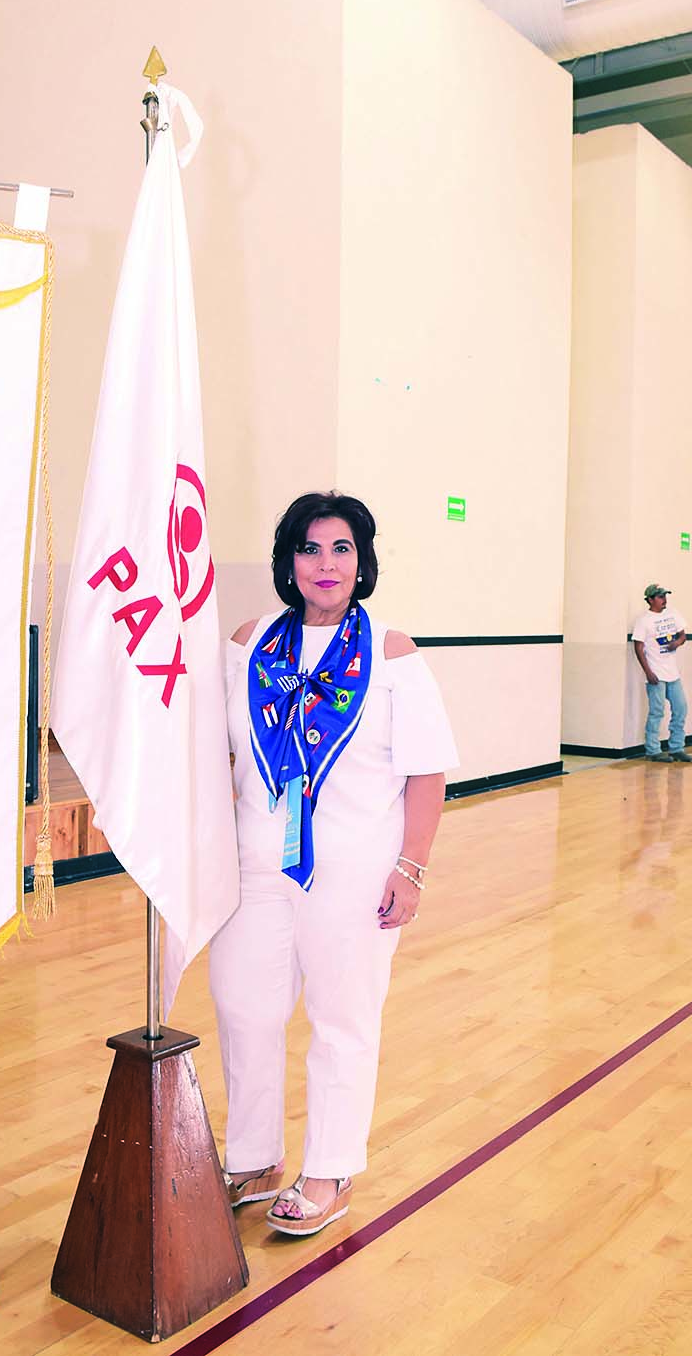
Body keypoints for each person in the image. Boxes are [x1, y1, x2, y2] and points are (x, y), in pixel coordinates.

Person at [210, 491, 458, 1237]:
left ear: (362, 561)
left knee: (341, 1019)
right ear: (288, 560)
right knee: (242, 1009)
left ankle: (330, 1168)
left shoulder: (391, 653)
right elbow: (216, 752)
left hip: (352, 872)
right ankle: (253, 1158)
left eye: (340, 549)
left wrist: (409, 868)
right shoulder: (248, 642)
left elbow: (426, 772)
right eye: (310, 549)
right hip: (253, 869)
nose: (325, 564)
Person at [632, 583, 692, 763]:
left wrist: (678, 642)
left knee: (681, 708)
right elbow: (638, 647)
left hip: (673, 673)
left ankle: (677, 748)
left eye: (665, 596)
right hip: (656, 674)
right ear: (650, 600)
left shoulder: (673, 613)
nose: (664, 599)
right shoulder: (644, 620)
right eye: (659, 596)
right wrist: (648, 672)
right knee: (657, 712)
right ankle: (653, 750)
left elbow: (683, 635)